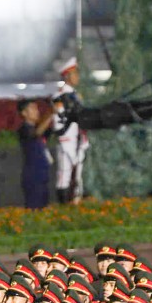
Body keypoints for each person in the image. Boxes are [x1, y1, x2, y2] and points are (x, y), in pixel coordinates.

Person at [52, 58, 88, 204]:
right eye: (74, 73)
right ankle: (64, 208)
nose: (77, 77)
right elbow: (58, 120)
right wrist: (65, 141)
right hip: (67, 141)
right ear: (67, 76)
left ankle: (75, 206)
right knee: (64, 176)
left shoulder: (76, 96)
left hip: (78, 139)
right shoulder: (60, 96)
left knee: (77, 176)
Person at [17, 99, 54, 210]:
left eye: (37, 108)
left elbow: (46, 130)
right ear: (24, 113)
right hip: (33, 175)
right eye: (32, 108)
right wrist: (52, 113)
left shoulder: (38, 128)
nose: (36, 111)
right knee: (34, 207)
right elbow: (36, 133)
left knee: (44, 206)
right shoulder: (24, 129)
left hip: (43, 173)